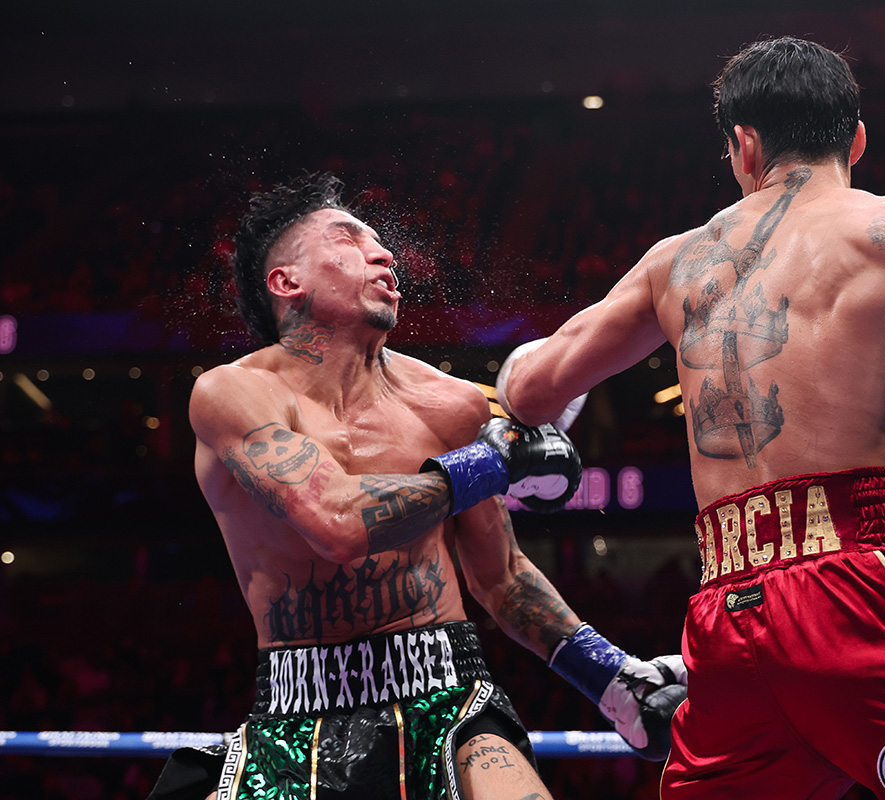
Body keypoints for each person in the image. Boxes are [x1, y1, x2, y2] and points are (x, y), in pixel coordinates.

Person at [497, 37, 885, 800]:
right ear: (856, 139)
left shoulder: (673, 263)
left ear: (743, 145)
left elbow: (528, 388)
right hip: (865, 578)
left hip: (727, 613)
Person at [146, 173, 685, 800]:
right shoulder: (233, 393)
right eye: (348, 240)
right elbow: (337, 523)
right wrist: (490, 464)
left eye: (380, 243)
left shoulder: (450, 406)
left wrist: (613, 678)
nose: (383, 254)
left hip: (449, 692)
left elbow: (502, 576)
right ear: (287, 283)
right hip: (297, 708)